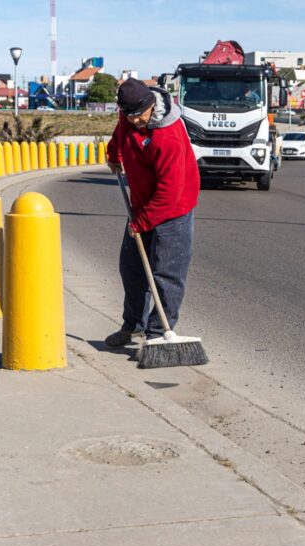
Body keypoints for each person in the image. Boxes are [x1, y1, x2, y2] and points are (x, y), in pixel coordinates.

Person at [105, 78, 200, 346]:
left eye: (140, 115)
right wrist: (114, 155)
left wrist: (142, 222)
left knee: (166, 274)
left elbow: (169, 193)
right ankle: (133, 325)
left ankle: (158, 333)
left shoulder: (167, 136)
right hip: (141, 205)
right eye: (129, 115)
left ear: (150, 105)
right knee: (131, 268)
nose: (135, 121)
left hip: (174, 211)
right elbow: (120, 134)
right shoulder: (128, 116)